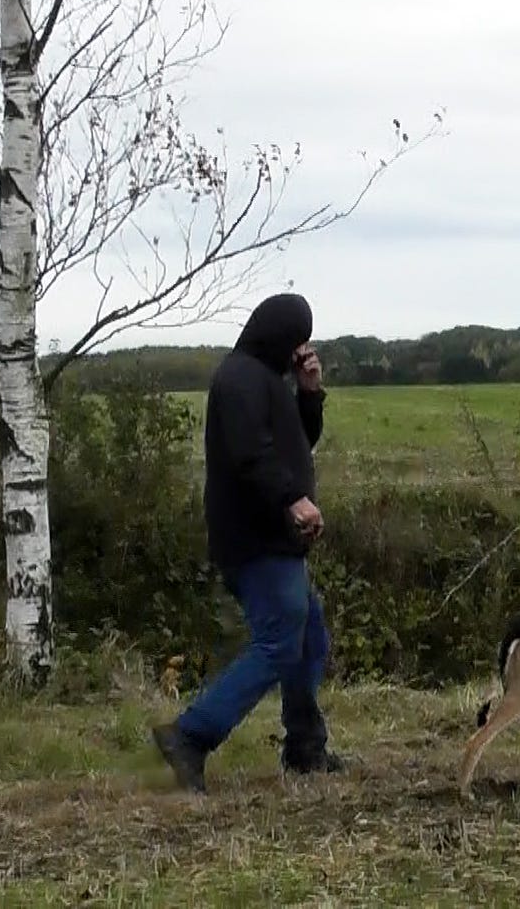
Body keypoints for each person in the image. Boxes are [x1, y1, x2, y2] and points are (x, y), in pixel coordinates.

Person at [152, 292, 342, 793]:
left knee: (307, 639)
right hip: (255, 539)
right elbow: (250, 457)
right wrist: (292, 500)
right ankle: (190, 735)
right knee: (281, 642)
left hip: (276, 537)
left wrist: (308, 394)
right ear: (279, 334)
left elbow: (295, 444)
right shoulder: (239, 380)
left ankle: (305, 747)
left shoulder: (267, 379)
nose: (302, 348)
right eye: (297, 337)